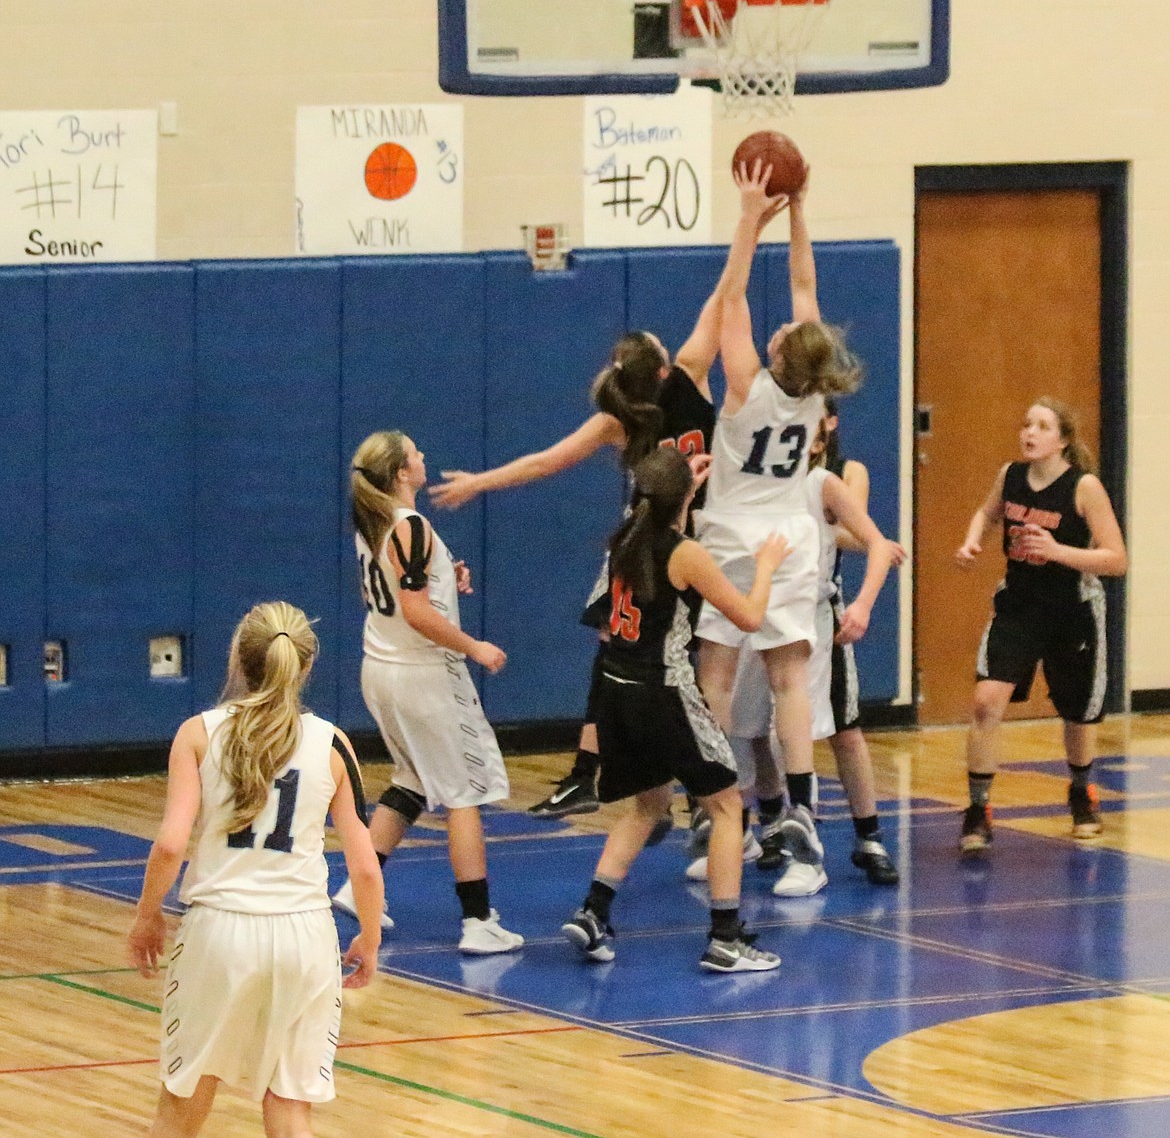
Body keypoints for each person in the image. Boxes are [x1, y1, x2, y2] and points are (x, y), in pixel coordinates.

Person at [429, 172, 785, 821]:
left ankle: (598, 769)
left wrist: (479, 481)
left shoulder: (617, 416)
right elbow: (726, 293)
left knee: (622, 649)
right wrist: (750, 223)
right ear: (658, 365)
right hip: (698, 537)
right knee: (706, 665)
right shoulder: (685, 376)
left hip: (638, 542)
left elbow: (545, 461)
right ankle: (711, 790)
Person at [128, 601, 383, 1138]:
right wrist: (369, 936)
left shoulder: (198, 733)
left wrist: (147, 914)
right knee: (290, 1109)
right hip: (305, 936)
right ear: (305, 667)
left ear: (239, 663)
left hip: (219, 932)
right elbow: (363, 866)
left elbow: (172, 844)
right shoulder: (334, 743)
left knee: (183, 1105)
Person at [693, 162, 863, 888]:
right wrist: (797, 212)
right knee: (792, 682)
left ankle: (713, 809)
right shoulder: (810, 392)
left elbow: (730, 294)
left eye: (789, 329)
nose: (791, 319)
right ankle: (799, 817)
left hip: (731, 537)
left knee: (715, 679)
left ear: (778, 352)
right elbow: (803, 285)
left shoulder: (742, 383)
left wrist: (747, 219)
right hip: (789, 540)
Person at [561, 446, 790, 972]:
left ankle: (594, 910)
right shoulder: (684, 553)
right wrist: (766, 567)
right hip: (662, 692)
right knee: (727, 806)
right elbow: (750, 617)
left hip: (618, 689)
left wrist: (682, 484)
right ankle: (726, 937)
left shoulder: (623, 539)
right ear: (686, 497)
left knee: (647, 806)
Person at [331, 430, 523, 954]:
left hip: (380, 667)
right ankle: (478, 922)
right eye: (416, 453)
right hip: (421, 673)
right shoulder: (409, 525)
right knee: (464, 792)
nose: (424, 457)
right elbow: (416, 612)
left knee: (412, 781)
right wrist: (474, 646)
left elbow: (401, 591)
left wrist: (445, 575)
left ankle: (357, 885)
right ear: (400, 473)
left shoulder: (374, 524)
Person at [718, 401, 904, 895]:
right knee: (744, 726)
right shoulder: (753, 481)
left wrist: (861, 606)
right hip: (756, 615)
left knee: (806, 733)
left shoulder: (825, 482)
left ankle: (817, 848)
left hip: (808, 621)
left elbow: (880, 544)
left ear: (817, 441)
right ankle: (767, 825)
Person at [954, 397, 1127, 852]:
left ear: (1063, 439)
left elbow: (1116, 559)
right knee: (986, 700)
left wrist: (1057, 552)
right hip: (1019, 604)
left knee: (1076, 712)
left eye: (1042, 426)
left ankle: (1082, 790)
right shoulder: (1010, 476)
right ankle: (978, 808)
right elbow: (988, 513)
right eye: (1026, 423)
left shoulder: (1083, 487)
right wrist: (973, 542)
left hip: (1072, 608)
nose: (1029, 432)